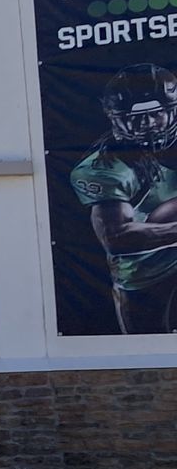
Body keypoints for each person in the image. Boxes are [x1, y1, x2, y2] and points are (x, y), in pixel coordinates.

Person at [70, 62, 177, 334]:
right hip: (147, 274)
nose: (146, 124)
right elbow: (118, 237)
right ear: (114, 117)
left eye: (156, 114)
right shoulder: (106, 168)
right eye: (133, 117)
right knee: (150, 349)